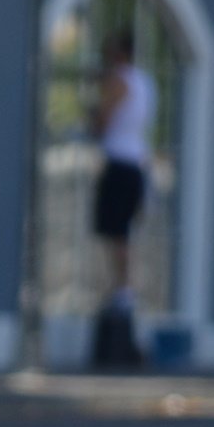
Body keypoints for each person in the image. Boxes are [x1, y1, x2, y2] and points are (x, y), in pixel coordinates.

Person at [89, 29, 154, 368]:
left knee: (116, 235)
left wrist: (92, 116)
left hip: (120, 164)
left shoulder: (119, 80)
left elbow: (103, 120)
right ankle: (122, 291)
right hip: (137, 164)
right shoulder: (146, 83)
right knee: (123, 233)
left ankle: (121, 291)